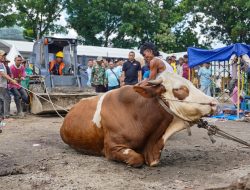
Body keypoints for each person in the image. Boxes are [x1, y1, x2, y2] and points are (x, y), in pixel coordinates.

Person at [0, 50, 18, 120]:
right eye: (2, 55)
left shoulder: (2, 64)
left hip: (2, 84)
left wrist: (10, 79)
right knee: (4, 99)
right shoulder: (0, 64)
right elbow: (2, 74)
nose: (4, 57)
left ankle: (2, 117)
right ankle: (4, 116)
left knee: (2, 100)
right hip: (1, 85)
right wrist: (11, 80)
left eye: (4, 55)